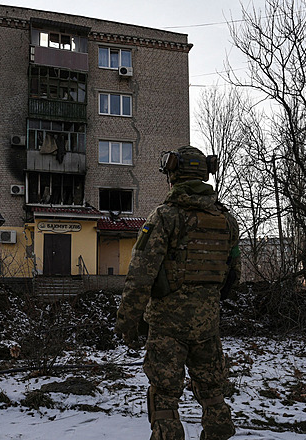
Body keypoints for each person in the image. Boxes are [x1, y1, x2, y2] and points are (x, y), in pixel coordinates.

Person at [115, 145, 240, 440]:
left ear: (173, 176)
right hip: (207, 325)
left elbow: (140, 276)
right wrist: (207, 303)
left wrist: (127, 321)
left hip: (167, 326)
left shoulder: (165, 217)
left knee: (165, 397)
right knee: (212, 392)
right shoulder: (226, 219)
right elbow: (233, 275)